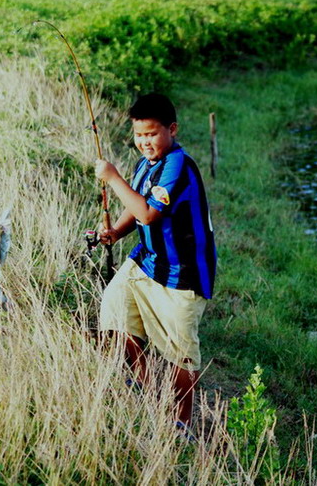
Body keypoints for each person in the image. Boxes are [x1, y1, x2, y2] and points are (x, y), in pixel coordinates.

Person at [94, 93, 217, 431]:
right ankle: (151, 393)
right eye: (138, 135)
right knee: (113, 318)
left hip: (184, 273)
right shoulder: (144, 164)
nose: (144, 142)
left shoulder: (178, 165)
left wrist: (112, 177)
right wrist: (115, 233)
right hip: (145, 262)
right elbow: (135, 208)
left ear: (171, 129)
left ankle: (181, 423)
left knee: (182, 354)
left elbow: (148, 214)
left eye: (151, 134)